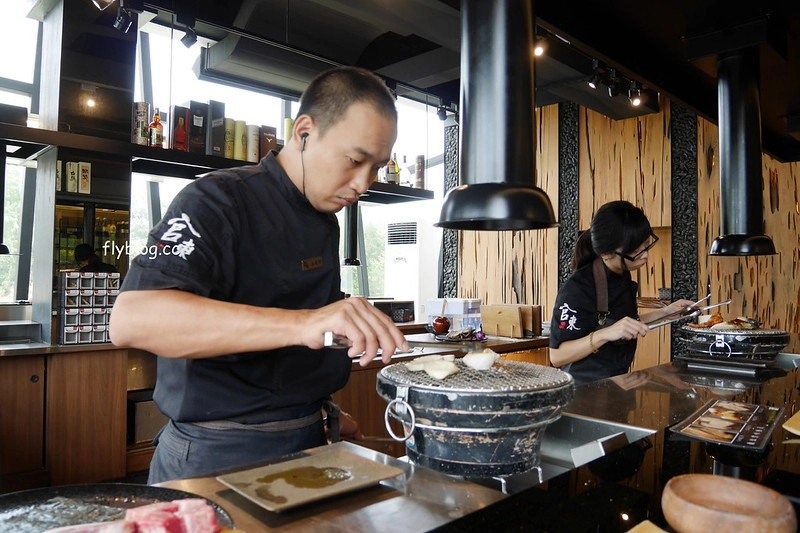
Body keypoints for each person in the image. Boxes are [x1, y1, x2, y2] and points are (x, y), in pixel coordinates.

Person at [108, 66, 408, 483]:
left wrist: (315, 410)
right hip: (216, 455)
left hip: (308, 438)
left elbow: (283, 339)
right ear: (304, 131)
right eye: (355, 160)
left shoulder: (322, 217)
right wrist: (309, 323)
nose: (363, 184)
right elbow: (133, 319)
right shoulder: (216, 200)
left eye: (376, 167)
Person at [548, 200, 696, 385]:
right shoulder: (577, 289)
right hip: (582, 394)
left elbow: (625, 325)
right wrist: (604, 334)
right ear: (607, 253)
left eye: (646, 245)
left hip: (614, 385)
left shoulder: (621, 274)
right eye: (635, 250)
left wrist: (666, 313)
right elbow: (557, 356)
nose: (645, 255)